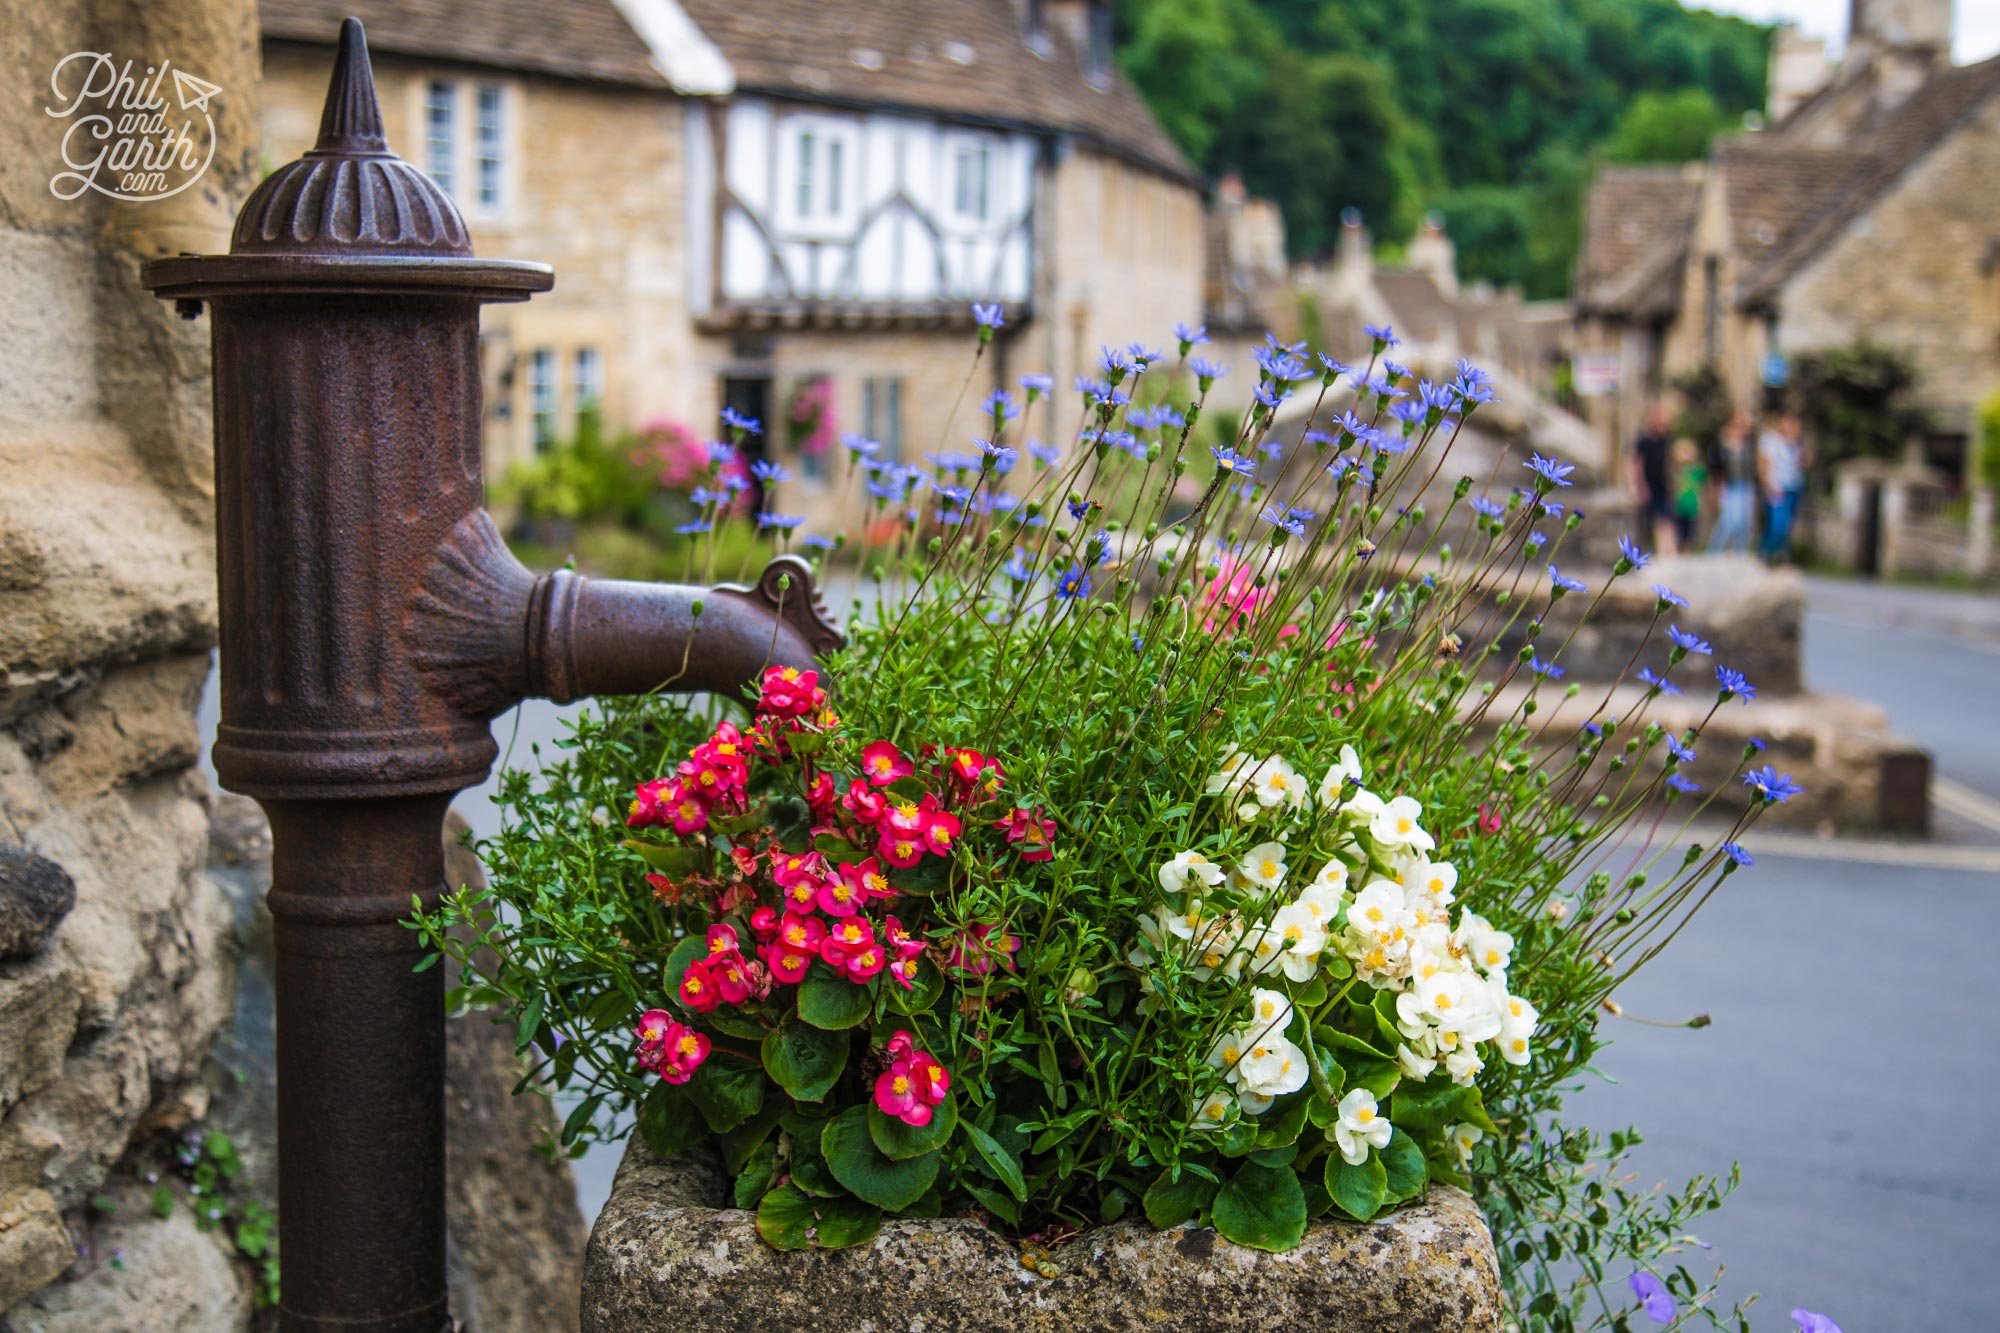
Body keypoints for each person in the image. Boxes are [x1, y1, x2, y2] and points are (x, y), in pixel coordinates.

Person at [1757, 413, 1807, 561]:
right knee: (1778, 523)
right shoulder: (1770, 440)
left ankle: (1781, 553)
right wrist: (1767, 484)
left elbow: (1802, 464)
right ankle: (1766, 551)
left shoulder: (1796, 443)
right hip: (1777, 488)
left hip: (1793, 487)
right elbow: (1763, 464)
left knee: (1788, 524)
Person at [1629, 401, 1677, 555]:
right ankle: (1662, 551)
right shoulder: (1644, 441)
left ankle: (1670, 551)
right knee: (1655, 520)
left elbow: (1666, 463)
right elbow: (1635, 464)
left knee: (1666, 518)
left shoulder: (1665, 440)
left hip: (1662, 483)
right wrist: (1638, 486)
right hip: (1648, 484)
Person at [1706, 410, 1756, 555]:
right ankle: (1714, 551)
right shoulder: (1722, 445)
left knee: (1744, 523)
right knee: (1729, 521)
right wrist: (1715, 486)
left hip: (1745, 485)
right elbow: (1715, 467)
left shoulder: (1748, 445)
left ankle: (1741, 552)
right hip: (1729, 485)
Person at [1670, 437, 1706, 551]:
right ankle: (1678, 550)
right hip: (1679, 506)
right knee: (1679, 532)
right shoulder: (1676, 470)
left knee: (1691, 533)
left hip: (1692, 506)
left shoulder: (1697, 470)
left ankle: (1687, 551)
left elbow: (1703, 485)